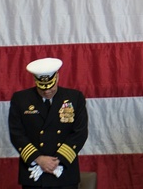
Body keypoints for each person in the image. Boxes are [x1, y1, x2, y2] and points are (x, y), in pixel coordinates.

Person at [8, 58, 88, 188]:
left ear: (57, 77)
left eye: (51, 87)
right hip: (34, 172)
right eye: (42, 88)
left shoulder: (75, 98)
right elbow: (17, 134)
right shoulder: (20, 99)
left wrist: (57, 160)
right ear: (35, 81)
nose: (47, 91)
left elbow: (80, 133)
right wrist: (39, 159)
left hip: (64, 171)